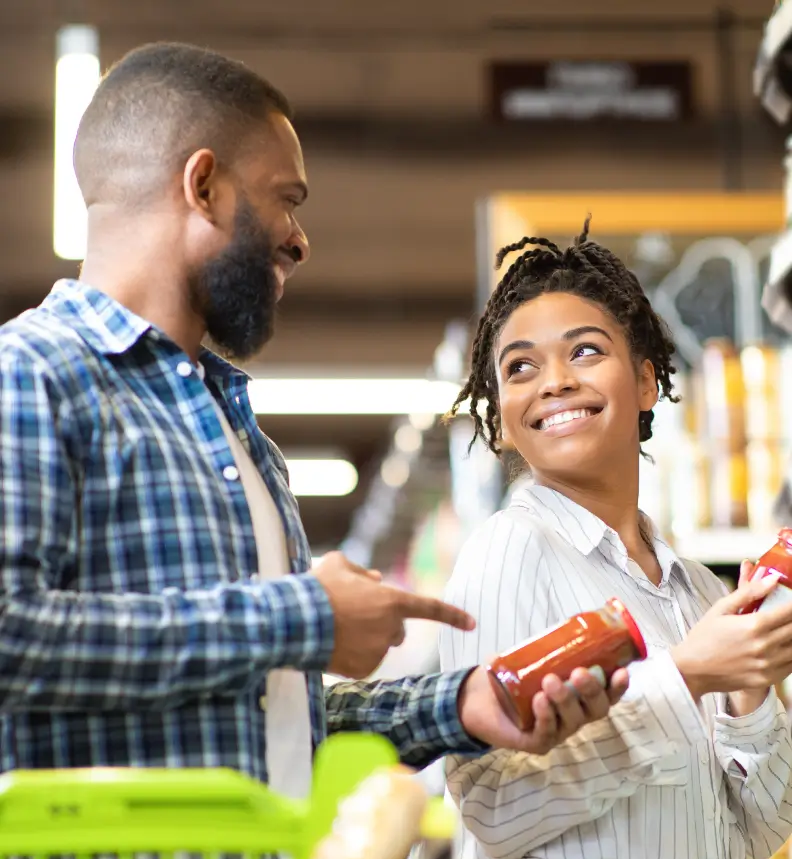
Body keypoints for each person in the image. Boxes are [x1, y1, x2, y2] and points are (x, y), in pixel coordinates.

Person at [0, 44, 627, 791]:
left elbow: (277, 719)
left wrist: (463, 704)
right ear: (203, 186)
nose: (299, 238)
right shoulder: (32, 373)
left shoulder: (242, 439)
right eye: (285, 199)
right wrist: (299, 615)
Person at [441, 222, 792, 859]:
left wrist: (750, 685)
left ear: (645, 381)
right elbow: (494, 805)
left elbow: (763, 828)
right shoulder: (508, 551)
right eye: (518, 367)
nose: (552, 380)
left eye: (584, 352)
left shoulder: (697, 593)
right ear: (501, 418)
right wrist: (691, 676)